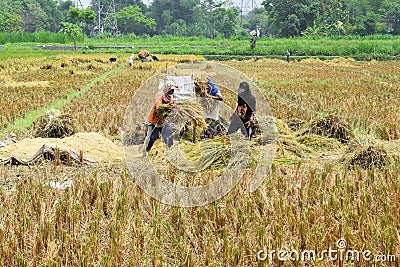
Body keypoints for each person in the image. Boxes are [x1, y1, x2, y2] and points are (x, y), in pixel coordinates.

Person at [143, 81, 178, 152]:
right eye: (171, 90)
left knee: (169, 133)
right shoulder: (159, 95)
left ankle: (170, 150)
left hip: (162, 121)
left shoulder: (170, 98)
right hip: (154, 121)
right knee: (152, 137)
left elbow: (169, 109)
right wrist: (170, 106)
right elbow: (158, 106)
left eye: (173, 90)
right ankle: (146, 151)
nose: (173, 91)